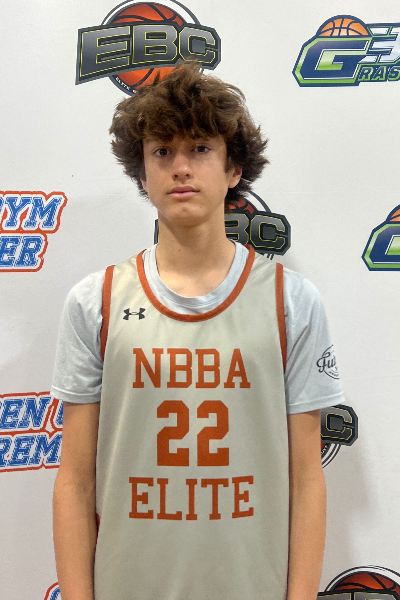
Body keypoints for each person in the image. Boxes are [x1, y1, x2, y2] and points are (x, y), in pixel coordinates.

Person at [52, 64, 344, 600]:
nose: (181, 167)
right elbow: (75, 479)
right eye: (162, 151)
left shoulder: (291, 302)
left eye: (201, 148)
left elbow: (307, 478)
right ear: (142, 173)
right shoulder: (96, 301)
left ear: (234, 168)